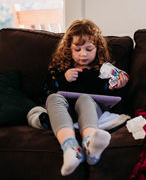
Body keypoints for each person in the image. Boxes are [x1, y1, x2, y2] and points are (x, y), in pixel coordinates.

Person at [43, 19, 129, 176]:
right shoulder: (61, 69)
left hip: (90, 109)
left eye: (89, 49)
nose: (83, 54)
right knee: (53, 99)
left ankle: (90, 145)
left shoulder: (103, 72)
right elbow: (48, 89)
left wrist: (115, 87)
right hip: (65, 110)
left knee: (85, 98)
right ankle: (71, 148)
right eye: (77, 49)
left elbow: (112, 101)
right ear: (69, 48)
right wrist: (64, 79)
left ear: (98, 48)